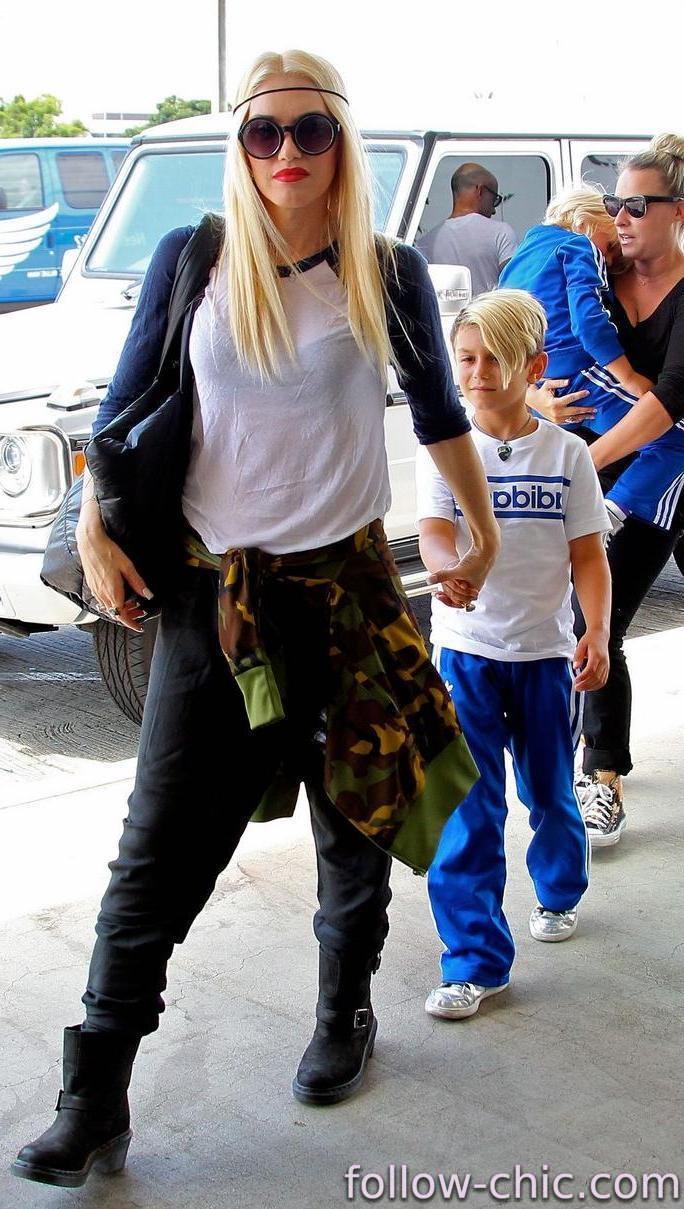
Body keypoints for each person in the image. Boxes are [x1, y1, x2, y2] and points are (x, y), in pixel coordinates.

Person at [11, 49, 500, 1189]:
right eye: (263, 132)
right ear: (240, 146)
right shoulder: (196, 258)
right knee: (156, 846)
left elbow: (440, 416)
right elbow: (126, 408)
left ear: (343, 141)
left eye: (309, 130)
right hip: (214, 601)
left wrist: (476, 531)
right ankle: (94, 1096)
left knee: (355, 817)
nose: (286, 152)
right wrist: (94, 528)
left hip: (349, 593)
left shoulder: (386, 270)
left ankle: (345, 1012)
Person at [416, 289, 611, 1020]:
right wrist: (449, 569)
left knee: (550, 791)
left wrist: (596, 630)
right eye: (466, 358)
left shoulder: (568, 454)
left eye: (495, 358)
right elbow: (434, 532)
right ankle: (475, 960)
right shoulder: (444, 450)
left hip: (543, 655)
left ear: (535, 365)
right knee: (468, 805)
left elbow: (588, 554)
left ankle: (559, 888)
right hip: (464, 653)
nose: (478, 373)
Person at [528, 136, 684, 847]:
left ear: (678, 211)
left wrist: (586, 466)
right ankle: (599, 772)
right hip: (609, 467)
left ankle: (600, 772)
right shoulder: (593, 275)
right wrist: (537, 398)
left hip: (669, 469)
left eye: (637, 205)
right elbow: (533, 346)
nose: (620, 217)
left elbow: (669, 400)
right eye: (616, 202)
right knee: (593, 614)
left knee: (600, 611)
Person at [500, 185, 684, 535]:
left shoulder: (523, 253)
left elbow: (502, 321)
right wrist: (627, 376)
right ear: (586, 221)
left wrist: (528, 386)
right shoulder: (579, 246)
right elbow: (587, 322)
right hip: (579, 371)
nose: (612, 260)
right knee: (674, 437)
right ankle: (614, 510)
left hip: (539, 376)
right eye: (612, 246)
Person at [416, 162, 518, 295]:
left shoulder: (423, 245)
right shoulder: (501, 232)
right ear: (480, 191)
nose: (494, 210)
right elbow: (514, 288)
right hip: (489, 309)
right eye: (494, 200)